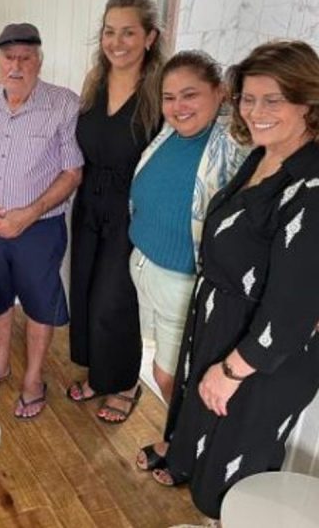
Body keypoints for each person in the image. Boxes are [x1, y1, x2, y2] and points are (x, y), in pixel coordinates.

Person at [142, 40, 319, 522]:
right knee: (204, 456)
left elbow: (294, 310)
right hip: (222, 331)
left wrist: (233, 371)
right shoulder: (263, 156)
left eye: (273, 99)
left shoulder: (311, 186)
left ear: (309, 102)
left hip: (259, 364)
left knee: (234, 477)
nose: (256, 111)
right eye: (248, 98)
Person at [0, 23, 82, 419]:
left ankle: (33, 379)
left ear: (39, 61)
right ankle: (0, 362)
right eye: (9, 57)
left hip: (38, 226)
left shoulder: (64, 104)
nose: (16, 65)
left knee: (40, 302)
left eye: (26, 57)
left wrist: (29, 213)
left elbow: (72, 172)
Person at [129, 51, 248, 411]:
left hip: (183, 283)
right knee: (161, 370)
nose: (178, 106)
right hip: (146, 267)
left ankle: (182, 453)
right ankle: (174, 442)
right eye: (169, 97)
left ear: (219, 92)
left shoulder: (237, 148)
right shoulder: (168, 135)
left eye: (190, 94)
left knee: (171, 378)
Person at [67, 0, 165, 423]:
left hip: (132, 210)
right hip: (88, 204)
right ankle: (98, 373)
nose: (117, 41)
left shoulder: (161, 91)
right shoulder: (95, 83)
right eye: (109, 32)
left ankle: (124, 382)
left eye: (128, 32)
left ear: (150, 37)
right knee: (86, 291)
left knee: (115, 300)